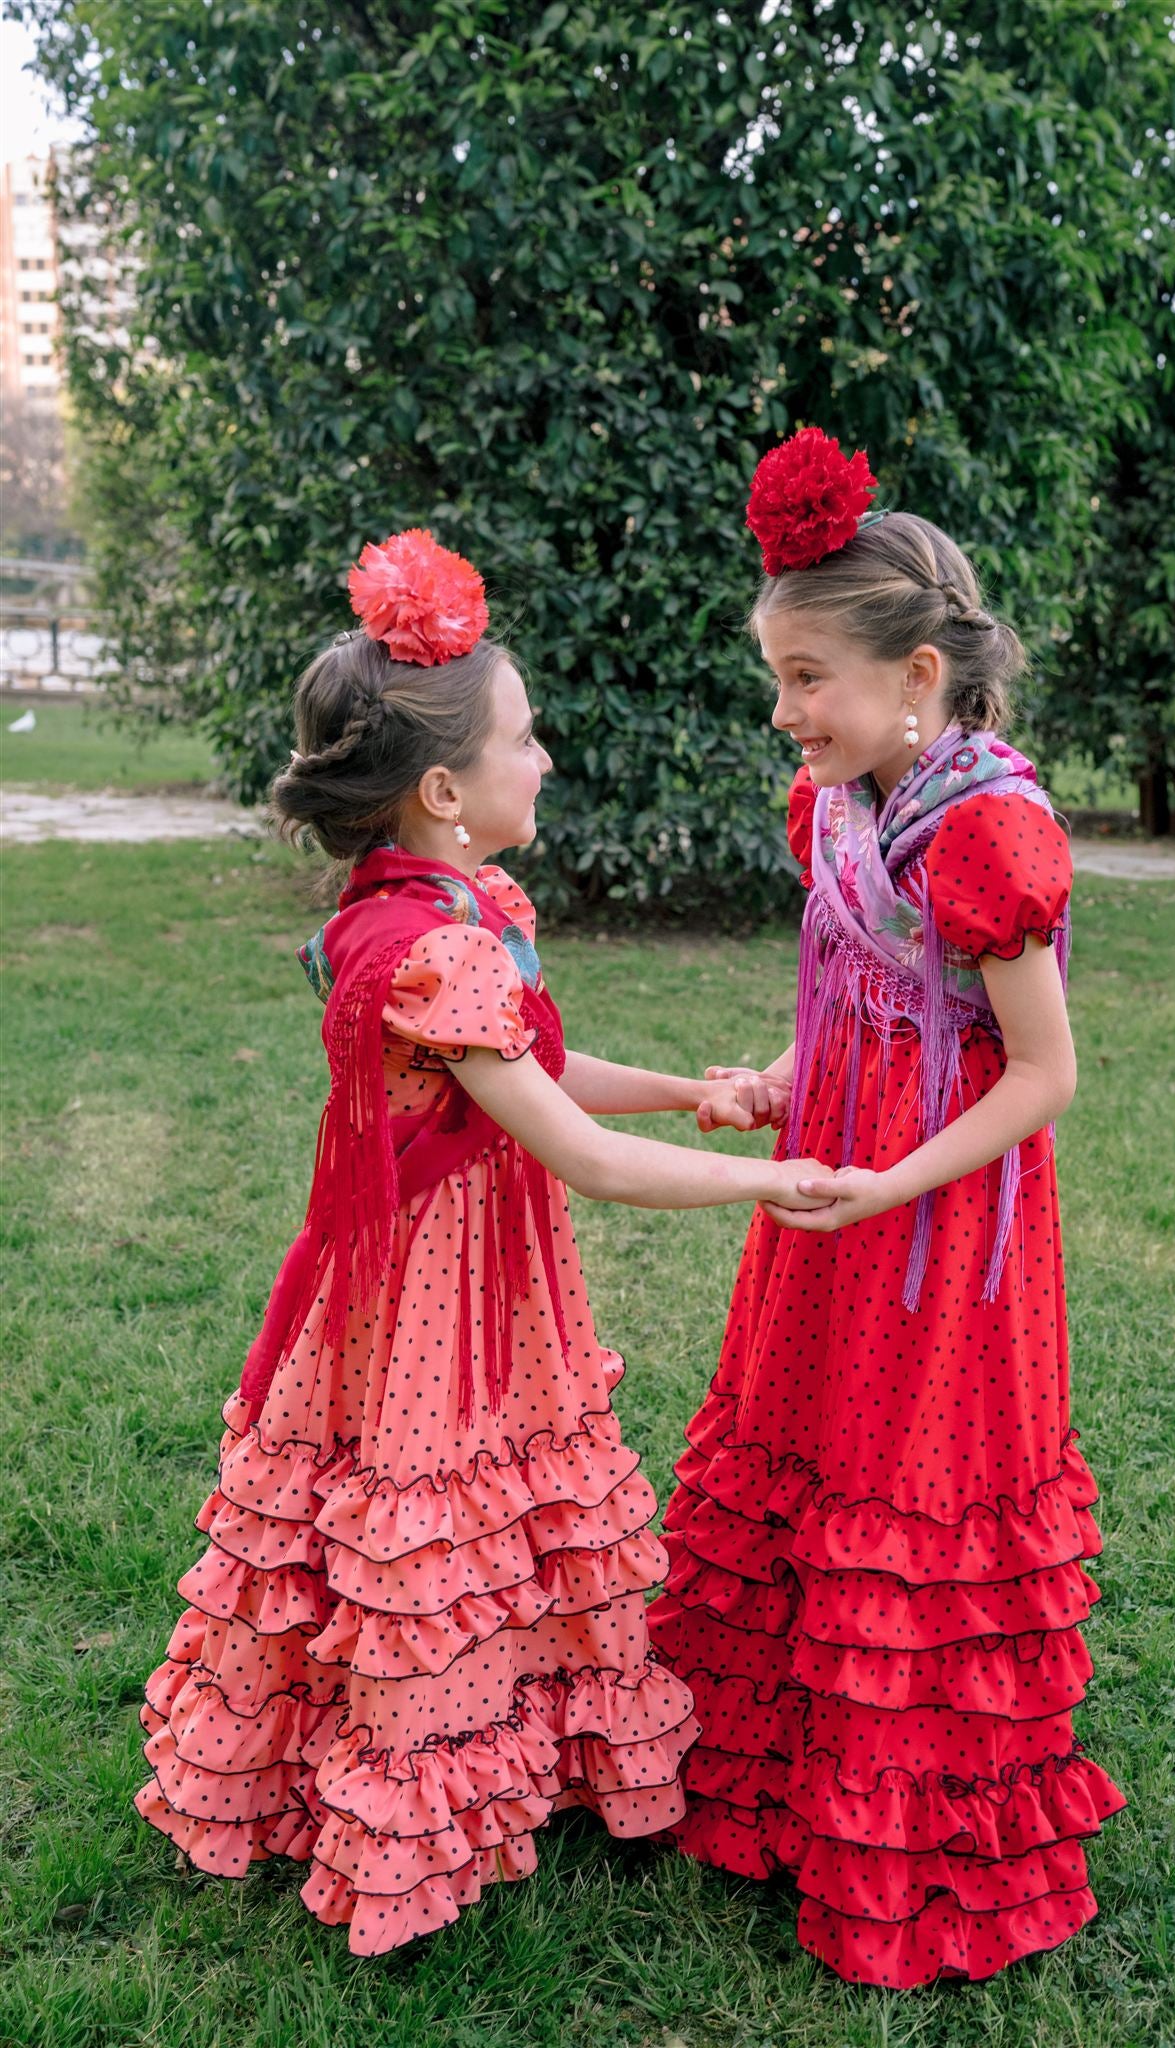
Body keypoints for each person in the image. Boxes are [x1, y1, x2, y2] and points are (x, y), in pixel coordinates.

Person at [134, 527, 821, 1957]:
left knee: (443, 1523)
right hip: (443, 1287)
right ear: (445, 791)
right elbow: (570, 1150)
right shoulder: (438, 944)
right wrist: (771, 1181)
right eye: (527, 737)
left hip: (441, 1266)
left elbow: (541, 1076)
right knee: (422, 1520)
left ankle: (457, 1751)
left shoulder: (429, 907)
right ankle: (402, 1799)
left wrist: (698, 1092)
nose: (549, 760)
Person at [650, 430, 1126, 1988]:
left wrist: (892, 1185)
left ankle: (914, 1824)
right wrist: (786, 1080)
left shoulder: (988, 830)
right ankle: (783, 1787)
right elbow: (864, 988)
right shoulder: (844, 802)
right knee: (809, 1459)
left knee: (909, 1493)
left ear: (916, 675)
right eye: (776, 677)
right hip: (841, 1185)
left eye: (805, 679)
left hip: (937, 1228)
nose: (783, 712)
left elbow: (1042, 1073)